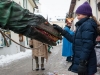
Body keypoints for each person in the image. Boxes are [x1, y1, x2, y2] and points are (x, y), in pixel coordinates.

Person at [53, 1, 98, 75]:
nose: (77, 17)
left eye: (78, 15)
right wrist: (62, 31)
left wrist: (83, 62)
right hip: (82, 59)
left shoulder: (87, 25)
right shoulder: (82, 25)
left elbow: (87, 45)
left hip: (86, 61)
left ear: (85, 15)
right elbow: (73, 39)